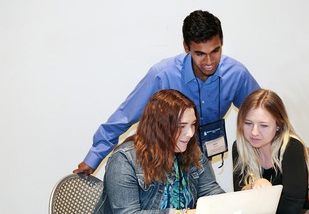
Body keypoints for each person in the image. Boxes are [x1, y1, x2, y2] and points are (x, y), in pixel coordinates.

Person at [74, 10, 260, 175]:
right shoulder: (163, 75)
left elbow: (262, 112)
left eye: (215, 51)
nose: (209, 61)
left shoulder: (235, 74)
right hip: (161, 166)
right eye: (200, 54)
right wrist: (93, 158)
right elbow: (124, 117)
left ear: (222, 43)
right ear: (186, 48)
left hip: (200, 163)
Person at [83, 90, 225, 214]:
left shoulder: (191, 151)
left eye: (193, 125)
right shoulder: (125, 159)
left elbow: (210, 191)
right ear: (159, 127)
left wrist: (231, 205)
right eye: (181, 127)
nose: (190, 133)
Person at [232, 89, 309, 214]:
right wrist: (254, 186)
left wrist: (257, 193)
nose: (254, 132)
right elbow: (238, 197)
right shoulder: (239, 147)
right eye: (248, 123)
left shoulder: (292, 147)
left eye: (263, 126)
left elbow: (292, 207)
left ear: (278, 125)